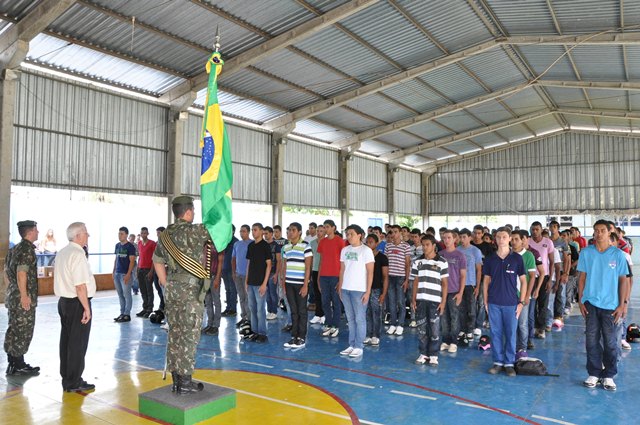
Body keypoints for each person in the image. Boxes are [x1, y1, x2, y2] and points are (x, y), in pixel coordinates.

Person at [153, 196, 215, 394]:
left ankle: (176, 379)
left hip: (171, 290)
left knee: (175, 332)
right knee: (189, 335)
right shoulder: (196, 231)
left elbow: (157, 261)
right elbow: (221, 230)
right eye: (193, 210)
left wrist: (166, 283)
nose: (194, 214)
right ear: (188, 212)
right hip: (190, 292)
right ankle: (186, 381)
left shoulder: (165, 236)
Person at [578, 220, 629, 391]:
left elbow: (624, 280)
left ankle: (609, 375)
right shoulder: (586, 253)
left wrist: (622, 304)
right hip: (591, 303)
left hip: (611, 306)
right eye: (596, 231)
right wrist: (580, 300)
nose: (598, 233)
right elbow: (582, 278)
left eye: (602, 230)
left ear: (609, 232)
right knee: (591, 340)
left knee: (610, 342)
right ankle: (594, 373)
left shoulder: (618, 255)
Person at [54, 222, 96, 392]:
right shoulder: (78, 255)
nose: (88, 235)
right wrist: (86, 308)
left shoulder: (63, 252)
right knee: (77, 343)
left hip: (64, 302)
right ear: (78, 236)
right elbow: (80, 286)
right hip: (77, 303)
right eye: (86, 233)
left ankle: (67, 376)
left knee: (66, 341)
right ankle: (73, 381)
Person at [483, 227, 527, 377]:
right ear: (495, 239)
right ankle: (498, 362)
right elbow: (486, 281)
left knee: (510, 333)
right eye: (498, 237)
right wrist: (485, 301)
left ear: (509, 239)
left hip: (511, 303)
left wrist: (521, 302)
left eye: (504, 237)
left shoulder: (516, 259)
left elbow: (523, 280)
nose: (501, 240)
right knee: (495, 333)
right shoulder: (490, 258)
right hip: (494, 302)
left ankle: (509, 363)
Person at [4, 220, 41, 375]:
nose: (38, 232)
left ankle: (13, 363)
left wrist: (11, 292)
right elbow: (21, 273)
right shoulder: (26, 250)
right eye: (36, 230)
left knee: (14, 329)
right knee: (24, 330)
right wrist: (24, 296)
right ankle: (18, 365)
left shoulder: (14, 249)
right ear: (30, 232)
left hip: (13, 297)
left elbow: (6, 273)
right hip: (22, 299)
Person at [411, 234, 448, 366]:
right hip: (421, 300)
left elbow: (444, 283)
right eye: (423, 245)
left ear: (434, 246)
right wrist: (413, 299)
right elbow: (415, 281)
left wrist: (443, 302)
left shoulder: (441, 262)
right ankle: (423, 353)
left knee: (434, 329)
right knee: (421, 328)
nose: (425, 247)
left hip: (435, 301)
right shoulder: (417, 261)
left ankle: (433, 354)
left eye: (427, 245)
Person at [338, 225, 374, 358]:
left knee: (360, 319)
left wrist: (368, 292)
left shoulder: (366, 251)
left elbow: (370, 273)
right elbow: (342, 270)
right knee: (350, 319)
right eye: (347, 234)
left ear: (360, 235)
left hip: (359, 290)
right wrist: (341, 287)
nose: (349, 236)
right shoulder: (344, 250)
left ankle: (359, 345)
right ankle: (351, 344)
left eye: (351, 234)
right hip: (346, 289)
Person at [282, 222, 313, 349]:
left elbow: (308, 267)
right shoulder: (286, 247)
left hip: (301, 284)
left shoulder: (306, 246)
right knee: (293, 311)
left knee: (302, 311)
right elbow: (284, 266)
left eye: (293, 230)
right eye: (289, 230)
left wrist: (305, 285)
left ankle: (301, 337)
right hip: (289, 283)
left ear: (299, 232)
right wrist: (283, 283)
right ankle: (293, 336)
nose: (290, 232)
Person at [244, 223, 272, 343]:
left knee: (261, 309)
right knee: (252, 308)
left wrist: (264, 283)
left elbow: (269, 265)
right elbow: (249, 264)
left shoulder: (265, 246)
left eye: (255, 230)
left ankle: (262, 333)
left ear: (261, 231)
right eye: (252, 230)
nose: (253, 232)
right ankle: (254, 332)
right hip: (251, 282)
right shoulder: (251, 246)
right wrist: (246, 280)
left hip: (260, 282)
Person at [317, 220, 344, 338]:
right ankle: (328, 323)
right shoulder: (322, 242)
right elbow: (321, 260)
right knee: (325, 301)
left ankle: (336, 325)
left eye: (327, 227)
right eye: (324, 227)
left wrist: (341, 279)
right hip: (324, 276)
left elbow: (343, 262)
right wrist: (318, 277)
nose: (326, 229)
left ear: (334, 228)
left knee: (336, 302)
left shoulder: (340, 241)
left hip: (335, 276)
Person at [384, 225, 411, 336]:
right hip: (390, 277)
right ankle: (393, 324)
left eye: (396, 232)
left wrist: (407, 279)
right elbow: (385, 263)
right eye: (392, 232)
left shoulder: (406, 246)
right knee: (391, 302)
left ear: (400, 233)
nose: (394, 234)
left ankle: (400, 324)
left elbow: (408, 264)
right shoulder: (388, 246)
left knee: (400, 302)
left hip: (400, 277)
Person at [364, 234, 388, 346]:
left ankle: (376, 335)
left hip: (376, 289)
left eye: (371, 242)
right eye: (367, 242)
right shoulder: (364, 257)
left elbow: (385, 276)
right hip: (364, 288)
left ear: (377, 243)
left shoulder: (382, 258)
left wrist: (383, 293)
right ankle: (368, 334)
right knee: (367, 312)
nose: (369, 244)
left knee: (376, 313)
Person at [113, 227, 136, 323]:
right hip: (117, 274)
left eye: (122, 234)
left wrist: (128, 274)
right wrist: (113, 271)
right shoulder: (117, 245)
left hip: (125, 274)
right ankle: (122, 313)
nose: (120, 235)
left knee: (127, 295)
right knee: (120, 294)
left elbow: (132, 261)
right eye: (119, 233)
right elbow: (116, 259)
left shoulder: (130, 247)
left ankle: (127, 314)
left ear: (126, 235)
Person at [232, 225, 252, 328]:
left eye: (243, 231)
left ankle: (249, 319)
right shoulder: (237, 244)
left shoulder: (252, 244)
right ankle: (243, 317)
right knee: (241, 297)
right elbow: (233, 259)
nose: (241, 233)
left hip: (247, 275)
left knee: (248, 298)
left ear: (248, 232)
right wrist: (233, 272)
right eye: (240, 231)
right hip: (238, 274)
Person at [136, 227, 157, 318]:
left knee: (149, 290)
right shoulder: (139, 243)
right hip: (140, 269)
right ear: (140, 234)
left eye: (145, 233)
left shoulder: (152, 244)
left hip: (148, 270)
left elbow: (154, 258)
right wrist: (137, 269)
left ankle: (149, 309)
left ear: (148, 234)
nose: (143, 235)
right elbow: (140, 256)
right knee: (142, 290)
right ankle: (144, 308)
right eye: (142, 233)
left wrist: (151, 271)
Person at [309, 224, 326, 325]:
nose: (319, 233)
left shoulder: (327, 243)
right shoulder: (312, 243)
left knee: (324, 294)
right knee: (316, 293)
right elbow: (310, 258)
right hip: (315, 270)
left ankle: (324, 314)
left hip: (324, 271)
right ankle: (318, 314)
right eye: (318, 231)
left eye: (321, 231)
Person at [221, 225, 238, 316]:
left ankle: (233, 309)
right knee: (227, 289)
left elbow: (236, 258)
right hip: (224, 269)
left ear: (233, 231)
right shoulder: (224, 241)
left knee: (233, 289)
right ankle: (228, 308)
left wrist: (235, 271)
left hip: (232, 270)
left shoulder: (236, 242)